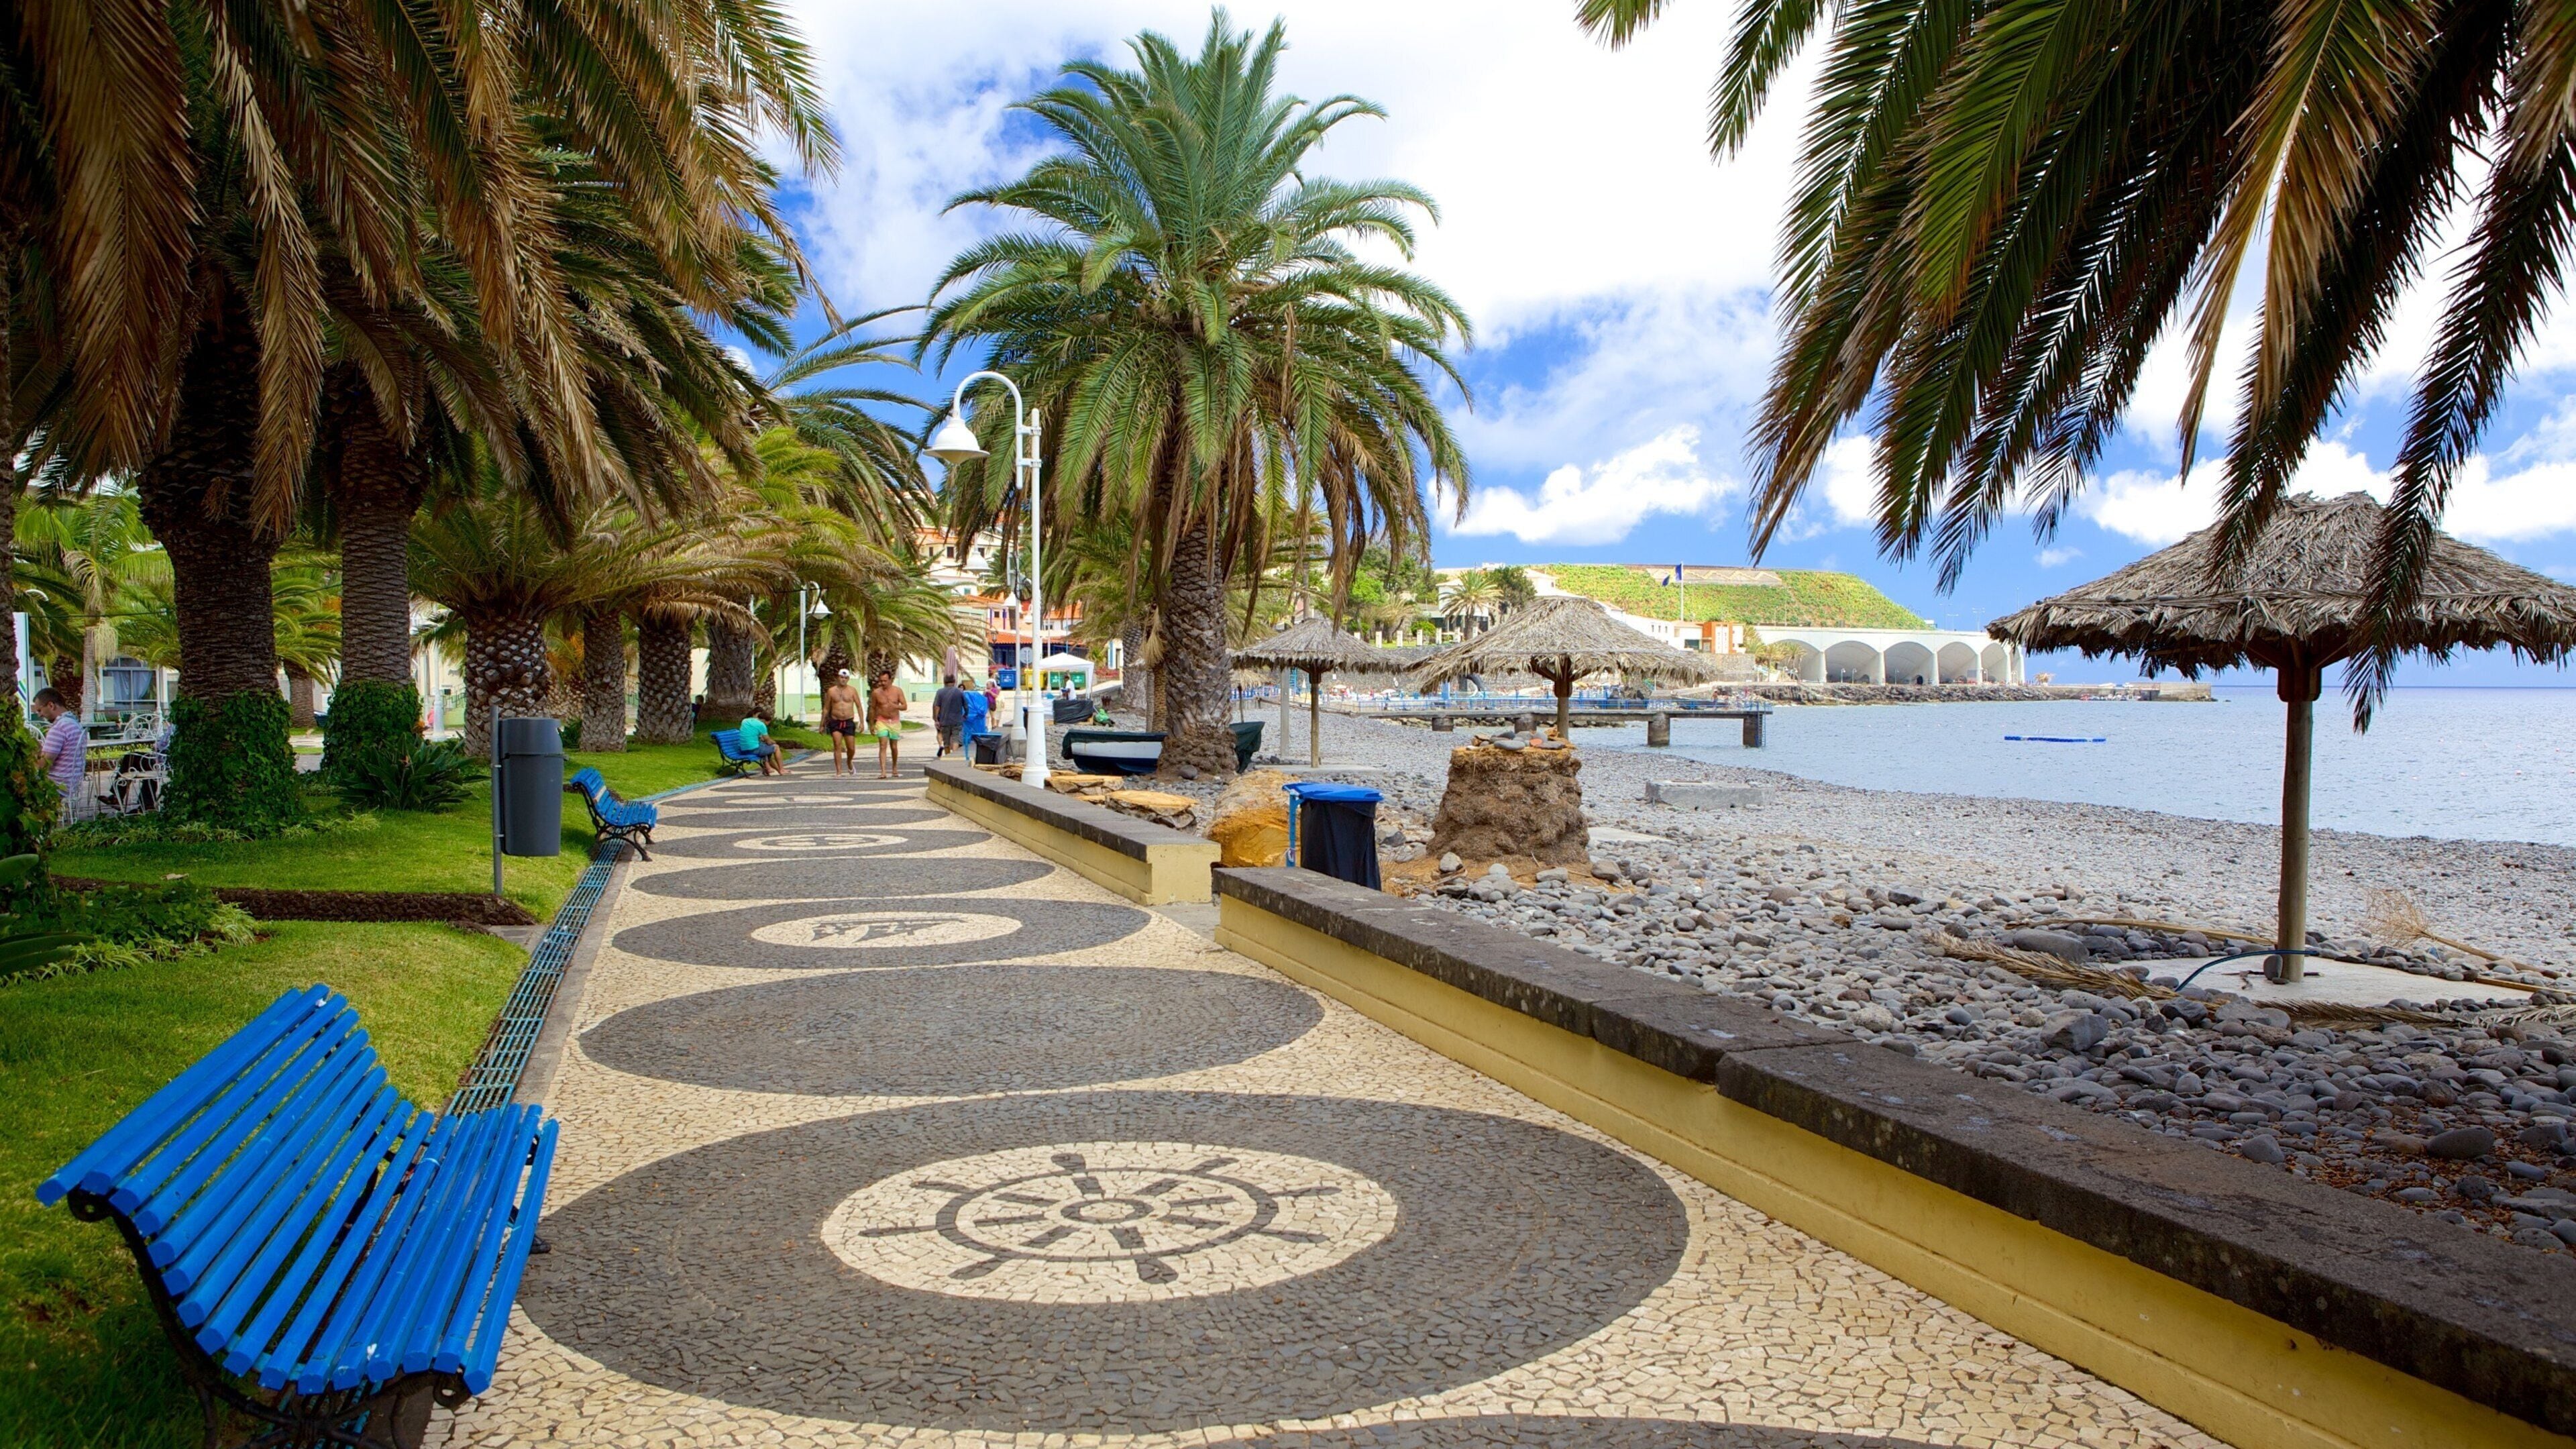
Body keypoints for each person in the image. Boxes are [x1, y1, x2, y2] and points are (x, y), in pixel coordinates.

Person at [33, 688, 85, 806]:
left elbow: (43, 765)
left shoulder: (59, 728)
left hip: (57, 785)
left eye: (39, 710)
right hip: (72, 781)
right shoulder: (74, 723)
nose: (40, 715)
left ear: (51, 705)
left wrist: (32, 753)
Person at [820, 669, 862, 776]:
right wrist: (822, 724)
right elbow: (826, 708)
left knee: (851, 748)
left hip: (848, 721)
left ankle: (849, 762)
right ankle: (839, 771)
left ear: (848, 679)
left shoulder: (852, 691)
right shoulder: (831, 691)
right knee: (837, 745)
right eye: (841, 677)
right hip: (835, 721)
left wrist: (862, 722)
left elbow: (858, 706)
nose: (843, 680)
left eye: (845, 678)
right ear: (837, 677)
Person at [868, 670, 907, 778]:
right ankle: (883, 771)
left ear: (890, 680)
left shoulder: (898, 691)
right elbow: (873, 708)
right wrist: (871, 724)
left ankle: (894, 767)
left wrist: (896, 707)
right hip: (882, 721)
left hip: (894, 721)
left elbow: (905, 706)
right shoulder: (876, 693)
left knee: (894, 746)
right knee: (883, 745)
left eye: (885, 681)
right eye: (881, 681)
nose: (883, 683)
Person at [737, 709, 784, 776]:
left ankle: (777, 770)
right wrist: (773, 742)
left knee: (765, 748)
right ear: (765, 721)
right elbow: (768, 741)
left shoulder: (745, 721)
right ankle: (782, 769)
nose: (767, 725)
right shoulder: (761, 725)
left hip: (744, 749)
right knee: (776, 747)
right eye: (768, 723)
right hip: (753, 749)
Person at [931, 674, 968, 759]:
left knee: (946, 741)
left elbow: (936, 706)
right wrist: (966, 714)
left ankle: (948, 757)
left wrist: (936, 719)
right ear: (955, 682)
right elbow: (966, 705)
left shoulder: (940, 692)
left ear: (944, 682)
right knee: (956, 739)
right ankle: (954, 756)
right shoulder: (960, 692)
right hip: (957, 720)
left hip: (944, 721)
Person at [959, 676, 989, 758]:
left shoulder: (965, 696)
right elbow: (983, 709)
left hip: (965, 722)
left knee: (964, 736)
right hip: (978, 726)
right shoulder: (977, 697)